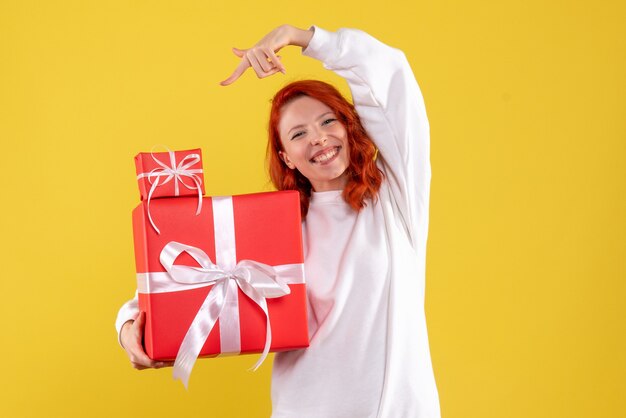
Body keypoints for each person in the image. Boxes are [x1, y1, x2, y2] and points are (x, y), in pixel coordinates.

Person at [116, 24, 441, 417]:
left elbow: (391, 72)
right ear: (286, 156)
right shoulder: (278, 226)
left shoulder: (393, 200)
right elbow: (180, 281)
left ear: (348, 126)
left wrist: (299, 37)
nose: (319, 139)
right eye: (299, 133)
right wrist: (128, 329)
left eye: (327, 121)